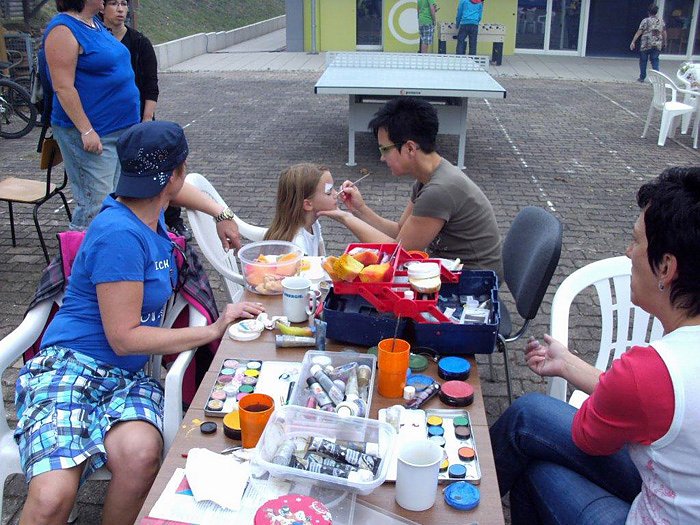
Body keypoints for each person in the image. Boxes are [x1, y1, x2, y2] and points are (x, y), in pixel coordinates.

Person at [13, 121, 264, 525]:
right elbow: (125, 339)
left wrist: (222, 213)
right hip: (71, 367)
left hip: (126, 378)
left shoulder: (148, 206)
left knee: (142, 456)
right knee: (51, 499)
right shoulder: (120, 235)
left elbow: (179, 190)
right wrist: (214, 329)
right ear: (176, 173)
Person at [490, 166, 700, 524]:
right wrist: (568, 364)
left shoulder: (651, 370)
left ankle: (463, 506)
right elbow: (645, 402)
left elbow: (592, 439)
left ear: (666, 267)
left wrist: (613, 381)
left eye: (636, 241)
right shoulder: (665, 370)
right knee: (529, 413)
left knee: (536, 469)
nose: (628, 252)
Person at [318, 97, 503, 279]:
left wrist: (345, 218)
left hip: (475, 280)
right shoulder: (428, 177)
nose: (382, 158)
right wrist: (360, 209)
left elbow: (399, 253)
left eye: (384, 149)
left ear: (410, 148)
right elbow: (400, 232)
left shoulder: (439, 190)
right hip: (455, 271)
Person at [44, 0, 140, 230]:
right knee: (95, 206)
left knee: (114, 200)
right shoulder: (63, 30)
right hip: (94, 134)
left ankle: (105, 247)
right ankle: (80, 249)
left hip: (119, 130)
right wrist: (86, 130)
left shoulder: (94, 23)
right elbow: (63, 87)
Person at [100, 0, 190, 240]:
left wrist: (146, 120)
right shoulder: (96, 40)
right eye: (114, 4)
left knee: (160, 171)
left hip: (140, 119)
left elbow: (151, 86)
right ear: (102, 8)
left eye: (124, 4)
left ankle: (173, 220)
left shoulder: (139, 42)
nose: (120, 9)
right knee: (125, 177)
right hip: (109, 122)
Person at [263, 163, 337, 256]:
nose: (336, 193)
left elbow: (321, 257)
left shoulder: (313, 223)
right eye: (329, 192)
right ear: (308, 204)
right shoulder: (297, 246)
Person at [630, 4, 666, 83]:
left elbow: (639, 32)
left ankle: (642, 77)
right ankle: (657, 79)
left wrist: (633, 41)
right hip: (657, 44)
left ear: (648, 12)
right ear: (656, 12)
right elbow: (664, 32)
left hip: (646, 44)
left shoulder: (645, 21)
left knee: (643, 60)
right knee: (655, 61)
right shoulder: (661, 21)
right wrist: (664, 42)